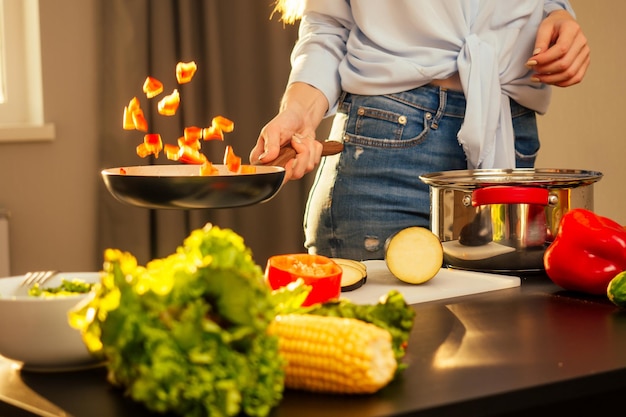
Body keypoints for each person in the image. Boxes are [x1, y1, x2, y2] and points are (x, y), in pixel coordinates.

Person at [250, 0, 590, 261]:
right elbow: (329, 24)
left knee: (499, 343)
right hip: (391, 140)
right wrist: (298, 112)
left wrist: (559, 15)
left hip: (508, 138)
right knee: (377, 342)